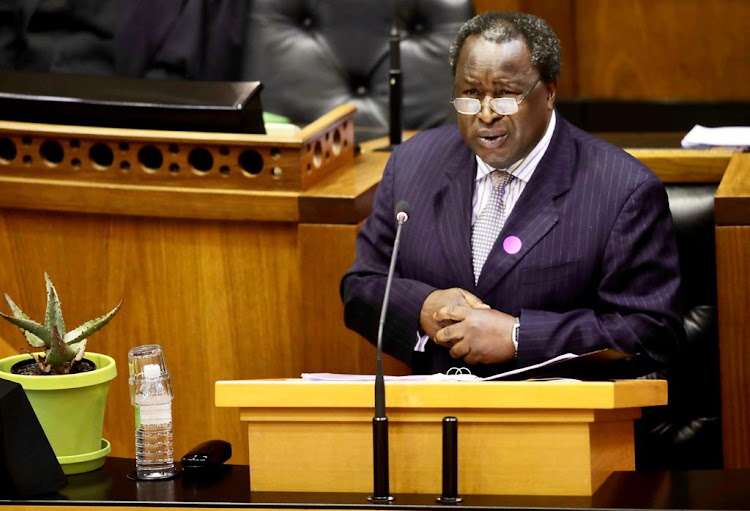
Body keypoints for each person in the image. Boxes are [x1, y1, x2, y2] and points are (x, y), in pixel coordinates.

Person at [340, 11, 684, 377]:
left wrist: (520, 336)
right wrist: (421, 307)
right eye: (470, 95)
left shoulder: (622, 189)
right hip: (436, 416)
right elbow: (361, 289)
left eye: (505, 96)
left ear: (549, 92)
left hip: (557, 422)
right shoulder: (412, 164)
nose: (485, 114)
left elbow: (651, 333)